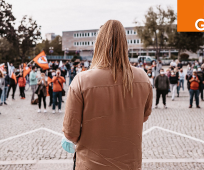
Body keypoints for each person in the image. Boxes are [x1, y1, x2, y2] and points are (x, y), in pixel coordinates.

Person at [62, 20, 152, 170]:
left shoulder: (82, 80)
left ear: (98, 44)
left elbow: (71, 134)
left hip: (91, 165)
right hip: (130, 164)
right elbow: (143, 117)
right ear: (125, 43)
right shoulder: (143, 78)